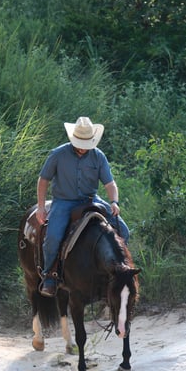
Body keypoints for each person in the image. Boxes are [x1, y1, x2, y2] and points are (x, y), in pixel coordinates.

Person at [35, 116, 130, 297]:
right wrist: (41, 206)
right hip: (64, 202)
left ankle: (118, 273)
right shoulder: (58, 154)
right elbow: (43, 179)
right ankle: (49, 276)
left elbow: (110, 184)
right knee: (53, 237)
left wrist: (114, 202)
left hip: (91, 199)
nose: (82, 147)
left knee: (123, 231)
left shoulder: (98, 156)